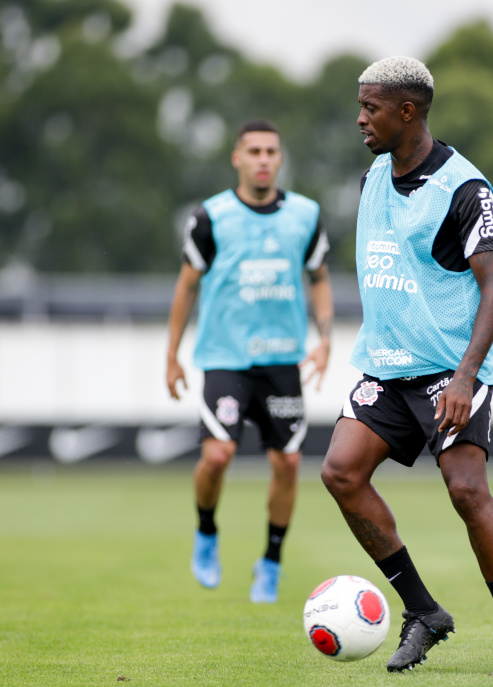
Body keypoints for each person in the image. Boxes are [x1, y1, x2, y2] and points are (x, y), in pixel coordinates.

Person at [319, 56, 493, 676]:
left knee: (467, 491)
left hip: (449, 368)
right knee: (340, 472)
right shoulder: (372, 178)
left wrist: (468, 376)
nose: (360, 118)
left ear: (407, 112)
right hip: (385, 366)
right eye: (360, 106)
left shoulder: (466, 189)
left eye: (371, 108)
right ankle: (423, 611)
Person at [165, 118, 334, 604]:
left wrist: (324, 338)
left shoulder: (305, 214)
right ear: (237, 158)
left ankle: (271, 563)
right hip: (225, 357)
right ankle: (206, 532)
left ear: (280, 159)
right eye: (253, 151)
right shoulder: (211, 216)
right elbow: (186, 285)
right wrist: (171, 356)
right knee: (217, 455)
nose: (263, 159)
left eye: (271, 152)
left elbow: (318, 277)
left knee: (287, 463)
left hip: (282, 362)